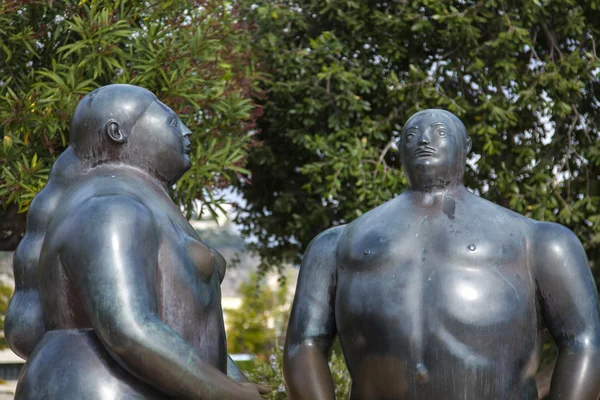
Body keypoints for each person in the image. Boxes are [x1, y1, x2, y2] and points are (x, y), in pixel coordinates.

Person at [283, 109, 600, 399]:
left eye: (439, 132)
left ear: (466, 146)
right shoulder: (336, 245)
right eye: (411, 136)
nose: (423, 140)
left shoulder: (539, 240)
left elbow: (584, 342)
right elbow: (304, 344)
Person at [13, 84, 268, 399]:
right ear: (117, 132)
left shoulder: (146, 202)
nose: (187, 131)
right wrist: (225, 393)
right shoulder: (109, 205)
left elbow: (186, 328)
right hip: (103, 388)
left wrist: (232, 383)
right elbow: (127, 328)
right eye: (172, 122)